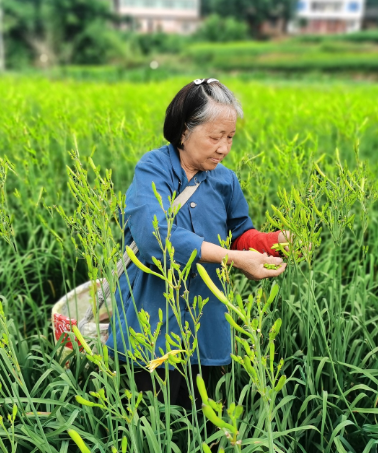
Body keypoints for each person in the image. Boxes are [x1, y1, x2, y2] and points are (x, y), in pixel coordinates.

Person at [105, 78, 289, 411]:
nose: (224, 148)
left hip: (207, 329)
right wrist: (232, 259)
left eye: (230, 137)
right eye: (215, 137)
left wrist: (271, 243)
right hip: (152, 329)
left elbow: (239, 234)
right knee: (151, 422)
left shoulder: (225, 180)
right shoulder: (153, 168)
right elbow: (153, 235)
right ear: (184, 131)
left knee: (203, 422)